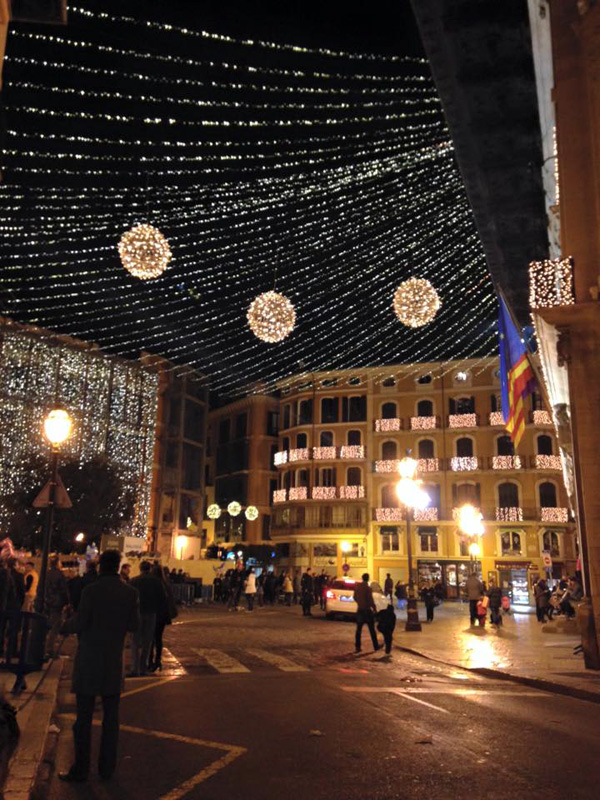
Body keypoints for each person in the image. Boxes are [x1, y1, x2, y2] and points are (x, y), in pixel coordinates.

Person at [59, 549, 140, 783]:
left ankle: (81, 768)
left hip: (89, 659)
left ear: (101, 566)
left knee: (83, 719)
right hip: (113, 661)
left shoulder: (91, 591)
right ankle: (107, 769)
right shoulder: (130, 593)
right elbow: (133, 625)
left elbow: (81, 621)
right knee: (111, 720)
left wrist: (64, 626)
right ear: (117, 566)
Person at [129, 561, 166, 676]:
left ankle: (135, 668)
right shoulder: (156, 582)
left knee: (135, 641)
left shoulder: (134, 581)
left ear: (140, 569)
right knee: (147, 642)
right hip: (151, 612)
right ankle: (143, 667)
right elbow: (162, 598)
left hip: (138, 612)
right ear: (149, 569)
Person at [149, 566, 177, 672]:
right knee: (158, 638)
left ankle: (151, 660)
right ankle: (157, 660)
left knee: (151, 638)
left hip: (154, 613)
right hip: (163, 615)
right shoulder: (165, 584)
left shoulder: (154, 584)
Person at [44, 556, 70, 659]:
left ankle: (45, 648)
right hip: (56, 602)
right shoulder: (59, 574)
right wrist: (67, 602)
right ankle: (49, 649)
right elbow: (63, 590)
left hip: (47, 601)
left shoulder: (47, 574)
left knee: (48, 625)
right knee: (55, 626)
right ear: (57, 563)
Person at [353, 573, 380, 653]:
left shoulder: (357, 587)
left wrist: (359, 603)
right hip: (367, 611)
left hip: (360, 610)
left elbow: (354, 597)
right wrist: (374, 609)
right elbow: (370, 600)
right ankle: (376, 646)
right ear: (368, 579)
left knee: (358, 630)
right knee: (372, 630)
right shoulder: (368, 588)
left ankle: (358, 647)